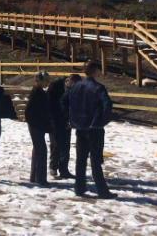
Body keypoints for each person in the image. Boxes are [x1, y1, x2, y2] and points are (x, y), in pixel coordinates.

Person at [64, 61, 116, 199]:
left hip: (80, 127)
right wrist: (102, 122)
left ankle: (79, 188)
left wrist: (69, 118)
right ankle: (102, 190)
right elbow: (107, 106)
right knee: (95, 159)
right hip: (94, 128)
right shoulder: (98, 87)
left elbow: (63, 101)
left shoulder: (74, 86)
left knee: (81, 159)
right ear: (95, 72)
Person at [48, 74, 80, 179]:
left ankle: (64, 169)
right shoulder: (54, 86)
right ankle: (53, 167)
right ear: (66, 81)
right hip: (54, 120)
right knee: (56, 144)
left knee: (66, 146)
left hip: (66, 120)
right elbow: (49, 105)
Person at [25, 70, 52, 186]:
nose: (47, 82)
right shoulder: (36, 92)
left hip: (38, 125)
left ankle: (34, 176)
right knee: (41, 151)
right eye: (45, 80)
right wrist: (35, 123)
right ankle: (40, 178)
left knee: (38, 151)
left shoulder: (39, 91)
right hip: (36, 126)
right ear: (39, 80)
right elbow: (28, 112)